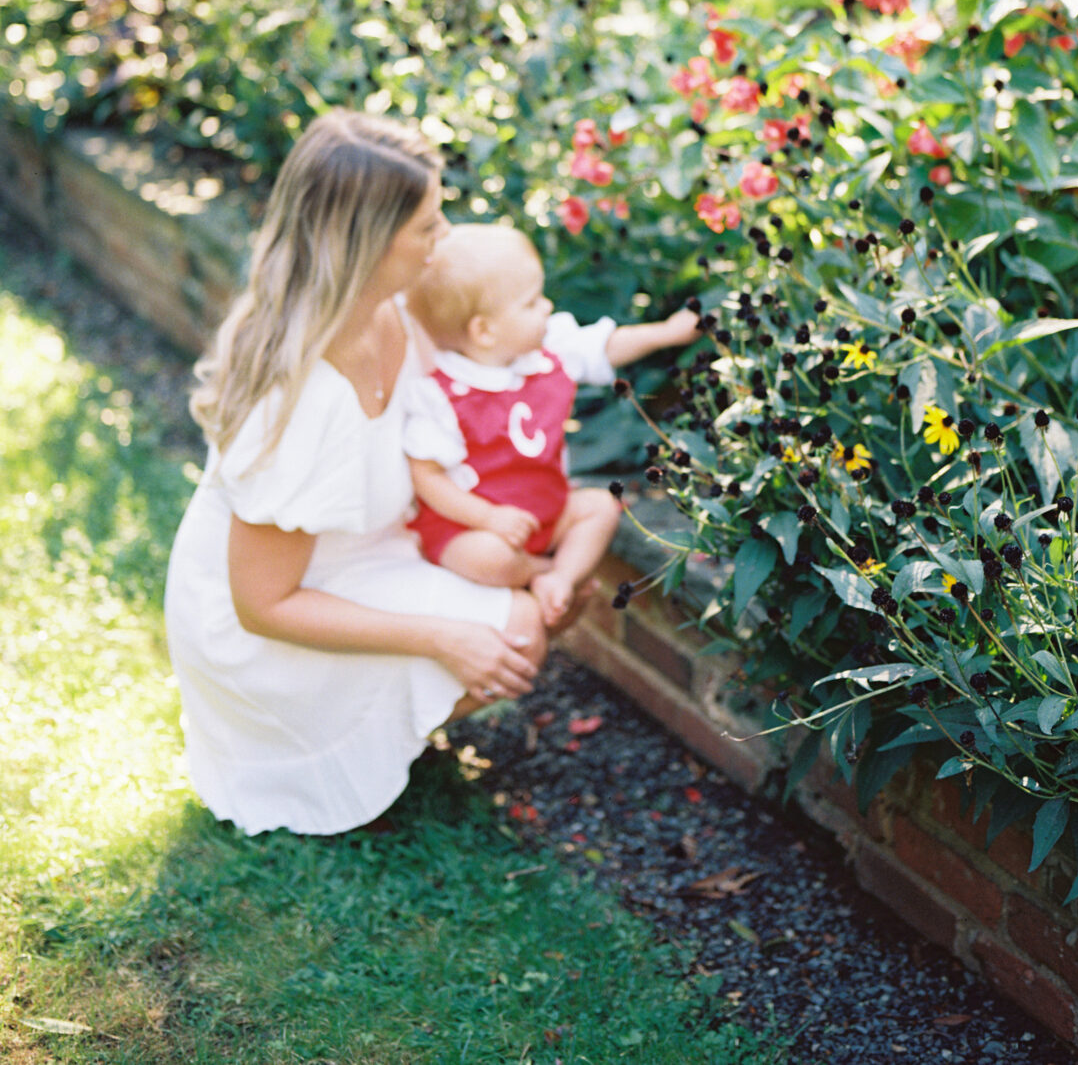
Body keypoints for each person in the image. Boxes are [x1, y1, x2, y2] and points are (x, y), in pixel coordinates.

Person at [163, 112, 547, 837]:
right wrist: (440, 637)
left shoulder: (388, 308)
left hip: (363, 553)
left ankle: (394, 716)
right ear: (368, 245)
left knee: (534, 590)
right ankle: (318, 741)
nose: (444, 243)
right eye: (427, 228)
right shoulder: (299, 398)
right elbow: (262, 606)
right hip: (266, 626)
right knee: (517, 630)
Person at [403, 223, 700, 626]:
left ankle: (559, 578)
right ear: (484, 331)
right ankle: (537, 573)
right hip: (474, 527)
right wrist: (486, 519)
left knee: (599, 508)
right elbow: (427, 477)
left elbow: (605, 346)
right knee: (486, 557)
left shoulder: (547, 351)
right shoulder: (442, 395)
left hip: (548, 515)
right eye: (530, 303)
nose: (546, 307)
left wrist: (667, 333)